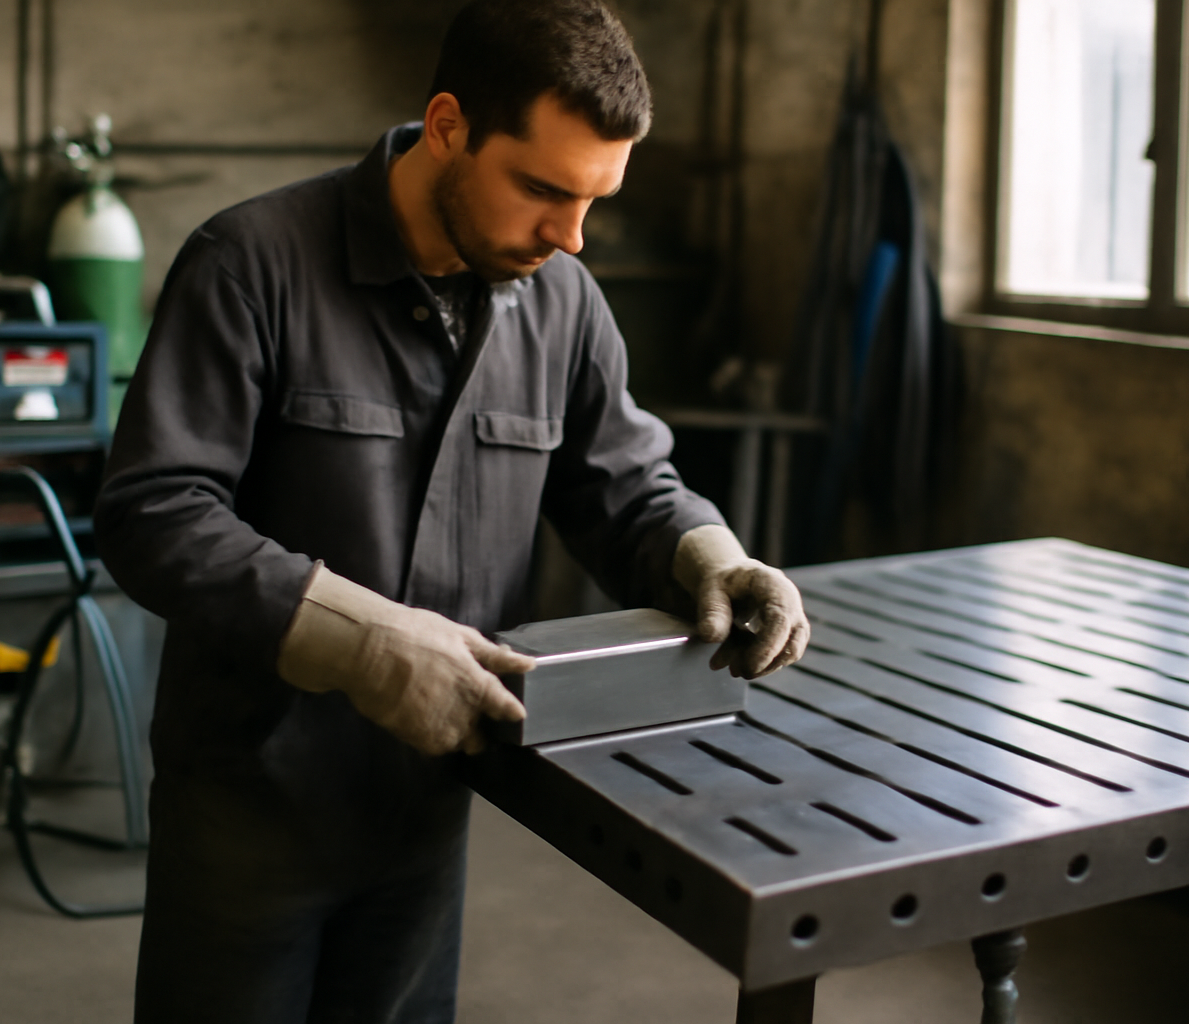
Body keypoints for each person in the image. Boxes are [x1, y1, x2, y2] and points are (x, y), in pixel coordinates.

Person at [94, 1, 810, 1020]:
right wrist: (366, 643)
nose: (568, 236)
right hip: (250, 806)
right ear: (446, 127)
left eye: (594, 201)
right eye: (542, 190)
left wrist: (712, 558)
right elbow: (153, 512)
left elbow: (624, 484)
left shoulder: (562, 301)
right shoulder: (249, 265)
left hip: (429, 805)